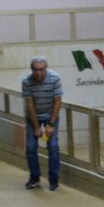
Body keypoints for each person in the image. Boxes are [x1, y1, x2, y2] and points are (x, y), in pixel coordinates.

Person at [21, 56, 63, 190]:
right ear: (31, 69)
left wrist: (50, 125)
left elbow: (58, 102)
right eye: (35, 70)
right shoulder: (26, 81)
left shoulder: (55, 78)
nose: (38, 73)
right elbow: (29, 104)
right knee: (31, 147)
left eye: (41, 69)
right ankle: (34, 178)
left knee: (53, 146)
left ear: (46, 68)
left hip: (51, 115)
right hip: (33, 116)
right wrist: (36, 127)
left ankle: (54, 180)